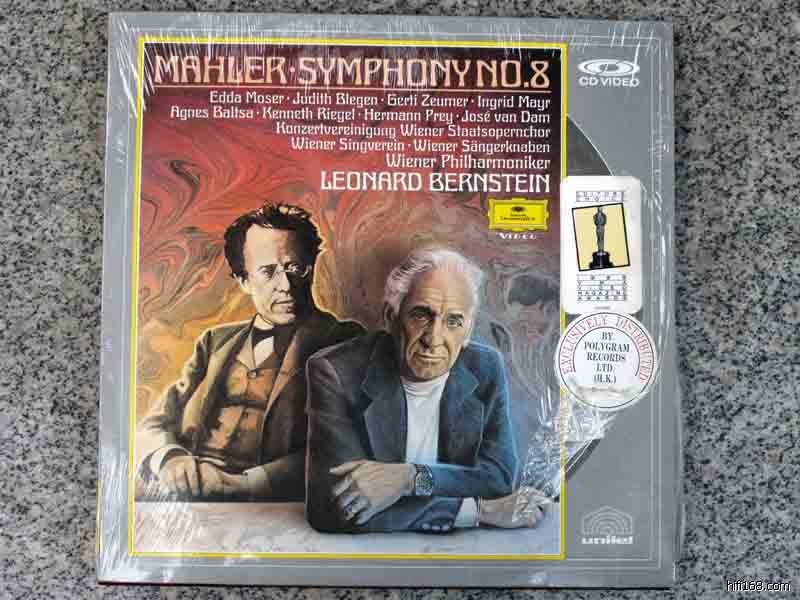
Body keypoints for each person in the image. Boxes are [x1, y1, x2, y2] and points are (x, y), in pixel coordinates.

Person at [305, 248, 548, 532]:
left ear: (468, 330)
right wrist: (480, 511)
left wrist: (410, 478)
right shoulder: (335, 372)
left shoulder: (485, 368)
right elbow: (337, 508)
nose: (434, 339)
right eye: (421, 316)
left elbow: (499, 480)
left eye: (453, 321)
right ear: (391, 317)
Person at [136, 203, 363, 501]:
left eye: (295, 268)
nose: (285, 285)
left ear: (311, 268)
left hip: (271, 503)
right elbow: (155, 421)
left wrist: (244, 484)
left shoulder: (345, 340)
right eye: (268, 272)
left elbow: (344, 446)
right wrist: (170, 458)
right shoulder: (214, 342)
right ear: (244, 281)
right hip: (190, 497)